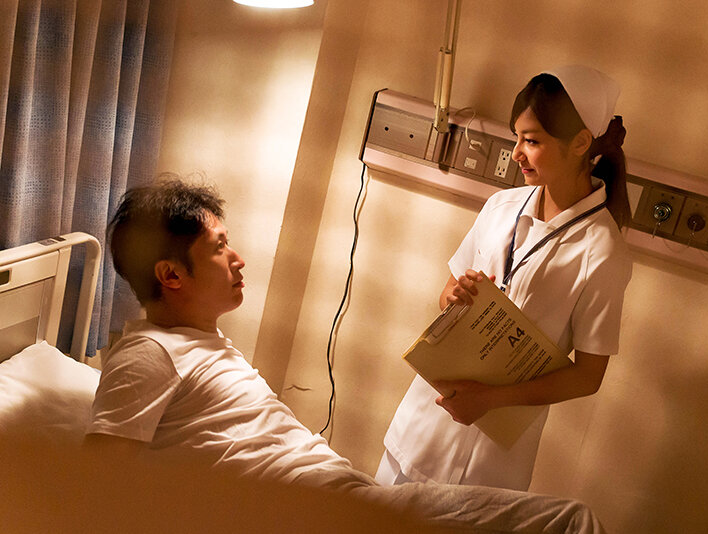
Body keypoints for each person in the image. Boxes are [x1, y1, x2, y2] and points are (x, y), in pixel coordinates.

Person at [84, 176, 609, 533]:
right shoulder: (150, 354)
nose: (238, 258)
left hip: (345, 498)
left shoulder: (206, 346)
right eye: (219, 247)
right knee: (570, 523)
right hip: (319, 512)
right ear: (171, 275)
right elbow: (96, 487)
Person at [376, 65, 633, 492]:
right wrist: (455, 297)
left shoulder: (602, 251)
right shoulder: (501, 207)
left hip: (489, 454)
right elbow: (447, 293)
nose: (516, 153)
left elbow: (588, 376)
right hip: (423, 420)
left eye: (531, 141)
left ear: (580, 143)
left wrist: (490, 400)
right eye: (517, 138)